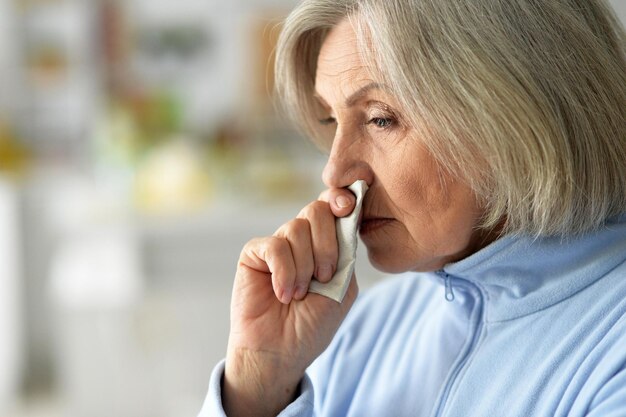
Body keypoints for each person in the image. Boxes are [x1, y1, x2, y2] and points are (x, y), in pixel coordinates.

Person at [199, 0, 626, 415]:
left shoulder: (613, 357)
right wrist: (258, 385)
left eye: (381, 118)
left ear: (517, 111)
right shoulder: (366, 330)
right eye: (331, 120)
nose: (335, 171)